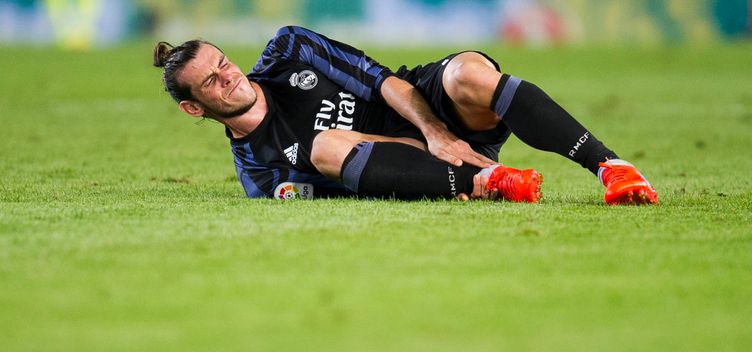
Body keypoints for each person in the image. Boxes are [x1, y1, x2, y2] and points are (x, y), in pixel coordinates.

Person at [152, 25, 658, 205]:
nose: (230, 76)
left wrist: (437, 131)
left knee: (467, 72)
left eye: (224, 62)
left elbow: (379, 79)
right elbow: (353, 180)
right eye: (213, 81)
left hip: (425, 106)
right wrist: (438, 156)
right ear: (194, 108)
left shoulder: (289, 50)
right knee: (326, 146)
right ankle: (492, 183)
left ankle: (610, 168)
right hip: (423, 164)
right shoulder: (260, 175)